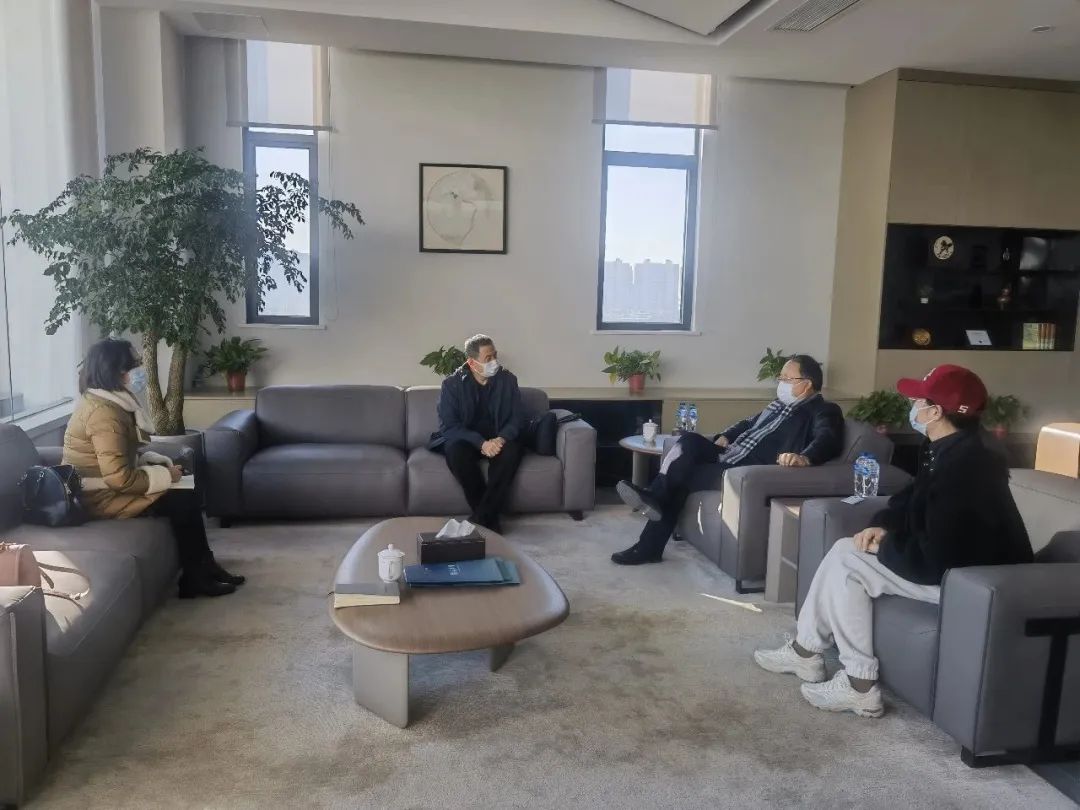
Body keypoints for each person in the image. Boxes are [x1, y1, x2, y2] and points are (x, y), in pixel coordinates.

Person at [754, 364, 1032, 718]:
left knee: (848, 561)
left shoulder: (966, 468)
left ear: (935, 412)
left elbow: (937, 560)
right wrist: (884, 525)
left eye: (918, 401)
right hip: (959, 569)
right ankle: (807, 653)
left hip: (973, 584)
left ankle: (855, 683)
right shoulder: (951, 448)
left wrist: (883, 548)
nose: (912, 407)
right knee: (845, 551)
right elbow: (912, 499)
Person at [612, 354, 844, 565]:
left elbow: (828, 438)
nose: (781, 382)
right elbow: (747, 423)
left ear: (807, 384)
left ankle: (649, 535)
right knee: (689, 440)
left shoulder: (823, 410)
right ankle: (654, 505)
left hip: (745, 468)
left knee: (682, 476)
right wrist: (726, 435)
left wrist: (805, 457)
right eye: (780, 377)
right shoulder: (778, 405)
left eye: (787, 378)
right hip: (730, 453)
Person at [63, 338, 244, 598]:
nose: (140, 370)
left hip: (108, 488)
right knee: (182, 498)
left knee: (186, 488)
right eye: (134, 364)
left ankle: (204, 567)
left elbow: (119, 458)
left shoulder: (112, 403)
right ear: (117, 371)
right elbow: (118, 478)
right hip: (99, 497)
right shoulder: (104, 414)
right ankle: (196, 577)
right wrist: (164, 475)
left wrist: (156, 466)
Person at [428, 334, 525, 533]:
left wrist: (500, 439)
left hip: (498, 438)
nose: (494, 361)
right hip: (467, 439)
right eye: (488, 358)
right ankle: (490, 520)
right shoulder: (452, 385)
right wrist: (481, 443)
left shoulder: (508, 380)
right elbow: (449, 426)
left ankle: (481, 519)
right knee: (455, 452)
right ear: (472, 362)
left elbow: (517, 418)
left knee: (512, 451)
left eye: (495, 355)